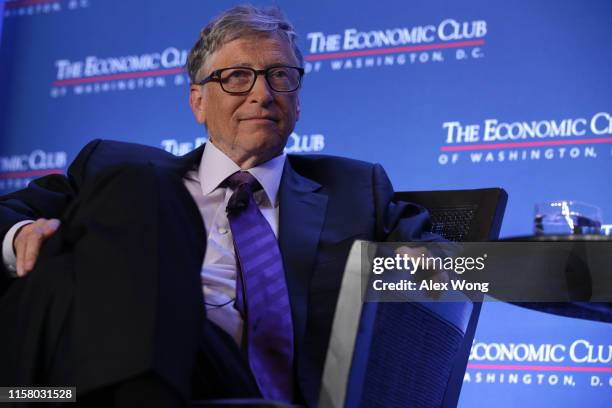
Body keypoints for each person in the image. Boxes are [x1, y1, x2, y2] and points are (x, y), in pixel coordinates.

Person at [0, 5, 436, 407]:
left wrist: (430, 265)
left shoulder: (355, 188)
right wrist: (21, 236)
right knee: (138, 188)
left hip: (254, 393)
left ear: (298, 101)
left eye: (280, 76)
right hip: (99, 378)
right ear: (197, 101)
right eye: (237, 77)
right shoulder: (118, 173)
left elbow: (471, 269)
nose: (262, 94)